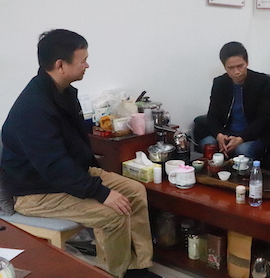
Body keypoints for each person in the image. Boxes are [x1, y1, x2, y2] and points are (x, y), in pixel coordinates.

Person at [0, 29, 160, 278]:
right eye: (83, 60)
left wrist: (97, 179)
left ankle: (137, 267)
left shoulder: (64, 92)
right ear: (60, 65)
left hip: (69, 176)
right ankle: (115, 274)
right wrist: (101, 193)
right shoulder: (34, 108)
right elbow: (54, 167)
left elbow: (74, 150)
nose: (87, 65)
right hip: (36, 192)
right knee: (113, 214)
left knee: (136, 192)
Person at [200, 41, 270, 160]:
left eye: (240, 66)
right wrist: (219, 135)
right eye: (231, 68)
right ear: (224, 67)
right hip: (227, 133)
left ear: (247, 62)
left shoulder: (263, 82)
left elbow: (264, 118)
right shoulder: (219, 83)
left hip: (254, 136)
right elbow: (212, 115)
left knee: (242, 150)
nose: (237, 72)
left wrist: (241, 138)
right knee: (207, 144)